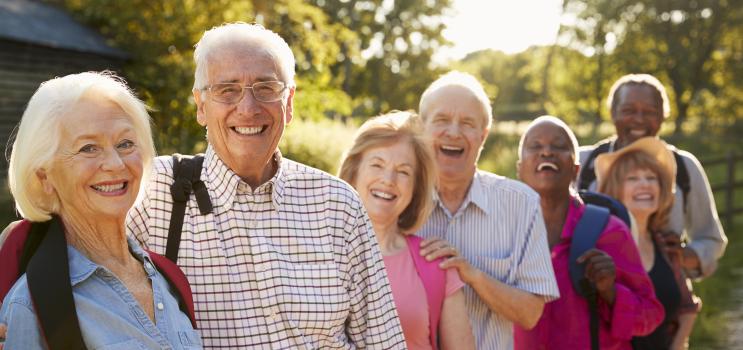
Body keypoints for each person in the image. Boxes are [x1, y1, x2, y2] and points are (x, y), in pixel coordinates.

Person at [126, 22, 405, 349]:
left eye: (266, 87)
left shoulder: (337, 204)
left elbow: (383, 342)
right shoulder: (150, 191)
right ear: (201, 105)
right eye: (227, 89)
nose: (247, 108)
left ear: (288, 103)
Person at [0, 72, 201, 349]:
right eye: (88, 148)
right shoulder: (31, 305)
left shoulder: (170, 281)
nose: (116, 163)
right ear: (44, 177)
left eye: (125, 144)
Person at [414, 71, 560, 349]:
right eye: (442, 120)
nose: (454, 132)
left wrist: (473, 275)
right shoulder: (398, 201)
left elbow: (530, 314)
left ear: (483, 136)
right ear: (421, 128)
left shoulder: (521, 204)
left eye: (467, 123)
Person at [513, 116, 664, 350]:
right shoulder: (503, 233)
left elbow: (650, 315)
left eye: (559, 146)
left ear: (575, 170)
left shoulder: (608, 230)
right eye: (535, 146)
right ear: (519, 169)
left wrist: (610, 291)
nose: (546, 152)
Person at [338, 111, 475, 350]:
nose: (388, 179)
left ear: (415, 188)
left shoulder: (435, 263)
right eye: (377, 165)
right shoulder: (313, 252)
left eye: (403, 171)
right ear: (353, 173)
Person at [577, 74, 727, 280]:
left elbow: (711, 239)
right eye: (628, 110)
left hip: (665, 299)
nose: (639, 119)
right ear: (612, 113)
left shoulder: (684, 167)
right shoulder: (582, 163)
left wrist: (681, 257)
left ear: (663, 116)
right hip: (595, 296)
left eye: (650, 112)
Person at [596, 136, 701, 350]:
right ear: (615, 189)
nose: (645, 184)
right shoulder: (600, 245)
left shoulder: (665, 244)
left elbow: (688, 308)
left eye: (651, 177)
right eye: (633, 178)